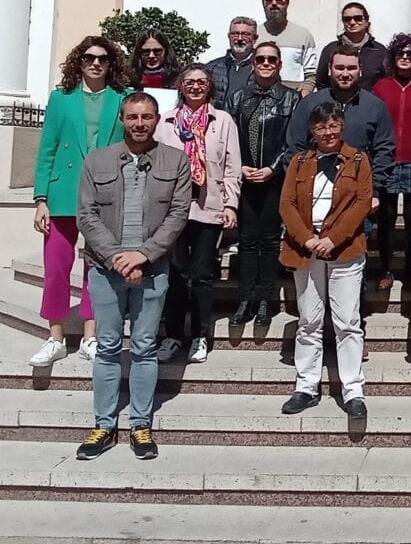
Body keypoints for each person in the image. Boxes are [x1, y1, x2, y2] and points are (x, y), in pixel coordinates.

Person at [74, 93, 192, 460]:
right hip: (105, 270)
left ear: (158, 120)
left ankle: (140, 424)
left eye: (146, 117)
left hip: (153, 269)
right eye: (132, 117)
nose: (139, 123)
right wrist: (116, 257)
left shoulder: (176, 161)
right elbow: (86, 215)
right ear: (122, 119)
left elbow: (178, 214)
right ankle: (104, 425)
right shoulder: (97, 161)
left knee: (143, 348)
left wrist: (143, 255)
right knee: (108, 348)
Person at [29, 36, 131, 367]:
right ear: (80, 61)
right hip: (62, 194)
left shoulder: (123, 98)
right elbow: (47, 150)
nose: (96, 63)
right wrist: (40, 199)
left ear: (111, 63)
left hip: (105, 193)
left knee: (97, 268)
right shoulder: (61, 99)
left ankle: (91, 335)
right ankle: (55, 337)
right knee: (56, 267)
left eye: (103, 58)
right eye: (89, 58)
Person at [278, 102, 373, 419]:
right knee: (309, 321)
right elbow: (287, 204)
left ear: (342, 127)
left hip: (343, 250)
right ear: (312, 130)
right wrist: (307, 238)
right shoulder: (299, 161)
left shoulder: (358, 160)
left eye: (333, 125)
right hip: (305, 250)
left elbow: (361, 204)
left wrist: (333, 239)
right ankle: (306, 386)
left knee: (348, 323)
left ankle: (353, 390)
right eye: (321, 127)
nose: (328, 132)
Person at [156, 65, 241, 365]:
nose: (195, 87)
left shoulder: (223, 121)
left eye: (201, 82)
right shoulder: (165, 121)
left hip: (209, 206)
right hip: (172, 209)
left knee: (203, 274)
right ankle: (173, 334)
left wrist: (231, 205)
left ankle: (200, 335)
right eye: (189, 82)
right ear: (180, 86)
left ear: (210, 87)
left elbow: (232, 167)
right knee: (176, 274)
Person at [225, 41, 300, 327]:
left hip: (274, 181)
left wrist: (273, 168)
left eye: (271, 59)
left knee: (269, 241)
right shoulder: (237, 98)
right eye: (260, 60)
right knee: (246, 241)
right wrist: (238, 166)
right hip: (244, 180)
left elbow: (293, 141)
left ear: (279, 64)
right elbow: (229, 138)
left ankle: (266, 299)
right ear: (253, 64)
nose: (266, 64)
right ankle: (245, 298)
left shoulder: (291, 100)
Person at [284, 49, 395, 206]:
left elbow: (385, 149)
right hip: (313, 194)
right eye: (339, 67)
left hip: (358, 194)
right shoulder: (309, 104)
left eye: (351, 68)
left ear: (360, 71)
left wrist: (373, 188)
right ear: (329, 70)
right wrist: (299, 185)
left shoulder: (375, 106)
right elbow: (294, 147)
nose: (345, 73)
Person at [374, 33, 411, 288]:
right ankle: (386, 269)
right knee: (385, 218)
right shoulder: (381, 87)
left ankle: (410, 270)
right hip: (386, 160)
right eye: (400, 53)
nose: (405, 58)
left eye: (410, 54)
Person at [255, 0, 317, 94]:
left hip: (293, 102)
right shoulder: (255, 35)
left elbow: (311, 76)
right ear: (263, 2)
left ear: (287, 1)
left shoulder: (303, 35)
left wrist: (301, 99)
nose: (274, 3)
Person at [314, 2, 389, 92]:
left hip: (369, 103)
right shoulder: (331, 49)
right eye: (347, 19)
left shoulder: (379, 51)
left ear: (366, 20)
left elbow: (387, 82)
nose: (352, 22)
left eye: (358, 18)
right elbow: (321, 81)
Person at [206, 16, 257, 106]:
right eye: (235, 34)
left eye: (245, 34)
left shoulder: (264, 69)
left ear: (254, 38)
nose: (240, 38)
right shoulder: (212, 68)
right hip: (220, 119)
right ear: (229, 36)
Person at [129, 28, 181, 93]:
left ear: (166, 51)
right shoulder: (128, 79)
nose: (151, 56)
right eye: (146, 51)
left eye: (157, 51)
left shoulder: (179, 80)